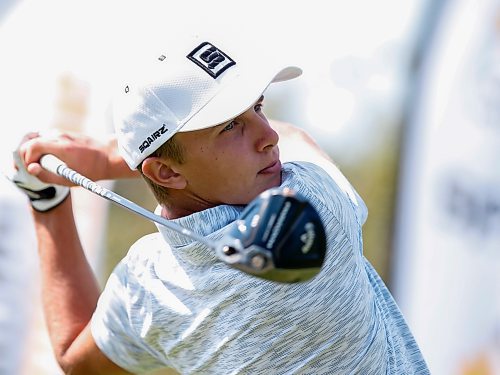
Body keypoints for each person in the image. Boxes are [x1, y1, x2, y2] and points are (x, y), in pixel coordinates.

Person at [10, 33, 429, 374]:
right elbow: (297, 135)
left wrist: (46, 202)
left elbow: (73, 354)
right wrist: (105, 157)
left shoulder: (148, 287)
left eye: (258, 108)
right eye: (231, 125)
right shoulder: (314, 203)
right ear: (166, 173)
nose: (268, 136)